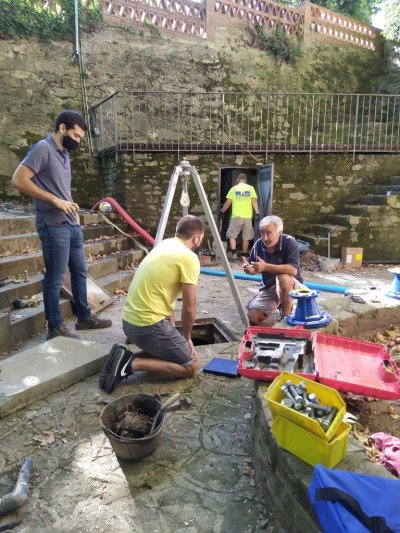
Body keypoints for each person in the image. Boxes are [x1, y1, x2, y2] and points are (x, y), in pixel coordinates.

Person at [11, 110, 112, 340]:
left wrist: (71, 208)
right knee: (55, 278)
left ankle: (84, 317)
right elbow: (18, 180)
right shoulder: (42, 149)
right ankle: (54, 328)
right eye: (75, 136)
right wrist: (55, 200)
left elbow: (60, 187)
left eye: (80, 139)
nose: (77, 141)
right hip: (53, 224)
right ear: (62, 128)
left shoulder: (64, 154)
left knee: (80, 271)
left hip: (71, 223)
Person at [99, 215, 205, 393]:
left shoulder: (165, 245)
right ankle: (133, 364)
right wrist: (187, 338)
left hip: (130, 323)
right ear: (197, 238)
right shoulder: (189, 257)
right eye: (200, 239)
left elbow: (163, 290)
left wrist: (172, 330)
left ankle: (122, 358)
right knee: (190, 366)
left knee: (171, 348)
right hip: (147, 326)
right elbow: (189, 307)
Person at [243, 215, 303, 326]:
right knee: (253, 318)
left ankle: (286, 317)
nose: (264, 238)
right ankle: (278, 305)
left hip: (292, 285)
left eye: (269, 233)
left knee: (282, 278)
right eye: (262, 233)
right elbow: (256, 267)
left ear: (279, 233)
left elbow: (293, 270)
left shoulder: (289, 242)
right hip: (270, 287)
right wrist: (250, 270)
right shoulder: (258, 244)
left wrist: (266, 267)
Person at [220, 173, 259, 260]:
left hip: (236, 216)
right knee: (246, 237)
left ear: (238, 180)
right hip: (247, 217)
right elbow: (254, 201)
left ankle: (234, 254)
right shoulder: (251, 188)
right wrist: (257, 213)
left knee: (232, 235)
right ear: (246, 180)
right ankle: (244, 255)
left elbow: (228, 202)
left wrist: (222, 211)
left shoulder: (234, 188)